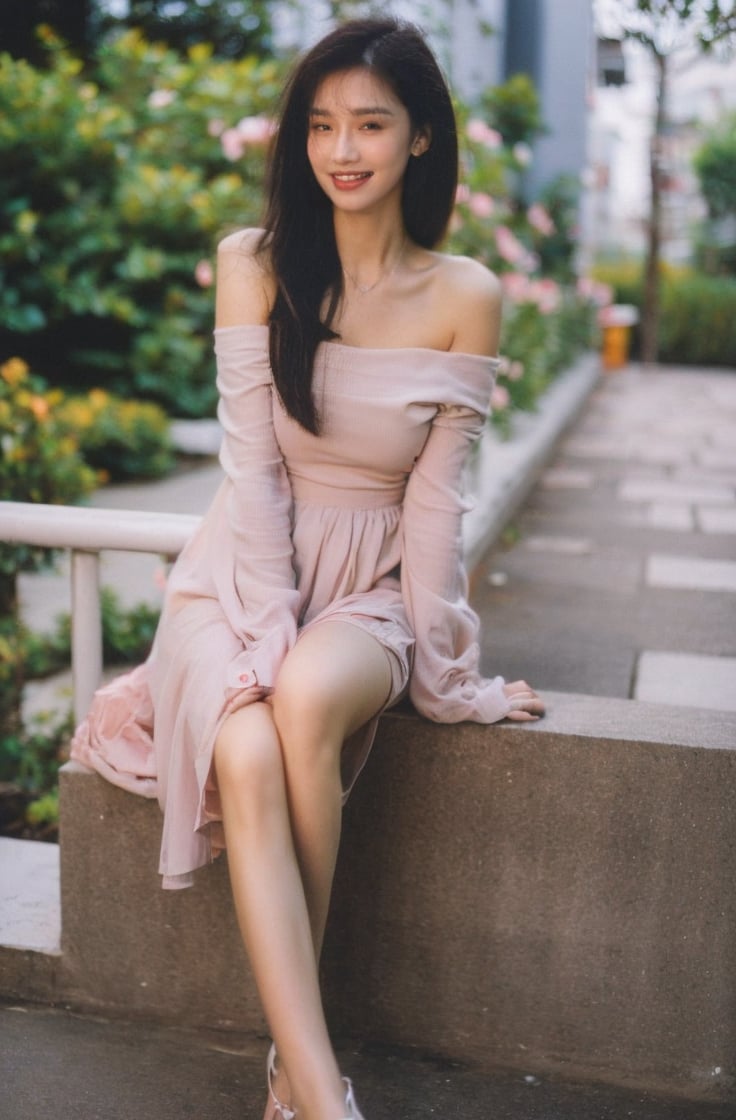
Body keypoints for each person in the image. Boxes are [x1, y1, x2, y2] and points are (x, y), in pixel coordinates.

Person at [71, 16, 544, 1120]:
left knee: (305, 699)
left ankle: (300, 1072)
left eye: (371, 124)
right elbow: (257, 473)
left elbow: (434, 506)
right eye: (322, 123)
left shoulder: (464, 291)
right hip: (241, 574)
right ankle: (314, 1085)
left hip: (372, 581)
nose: (343, 148)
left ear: (420, 138)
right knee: (248, 750)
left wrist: (446, 672)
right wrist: (265, 624)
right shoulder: (256, 263)